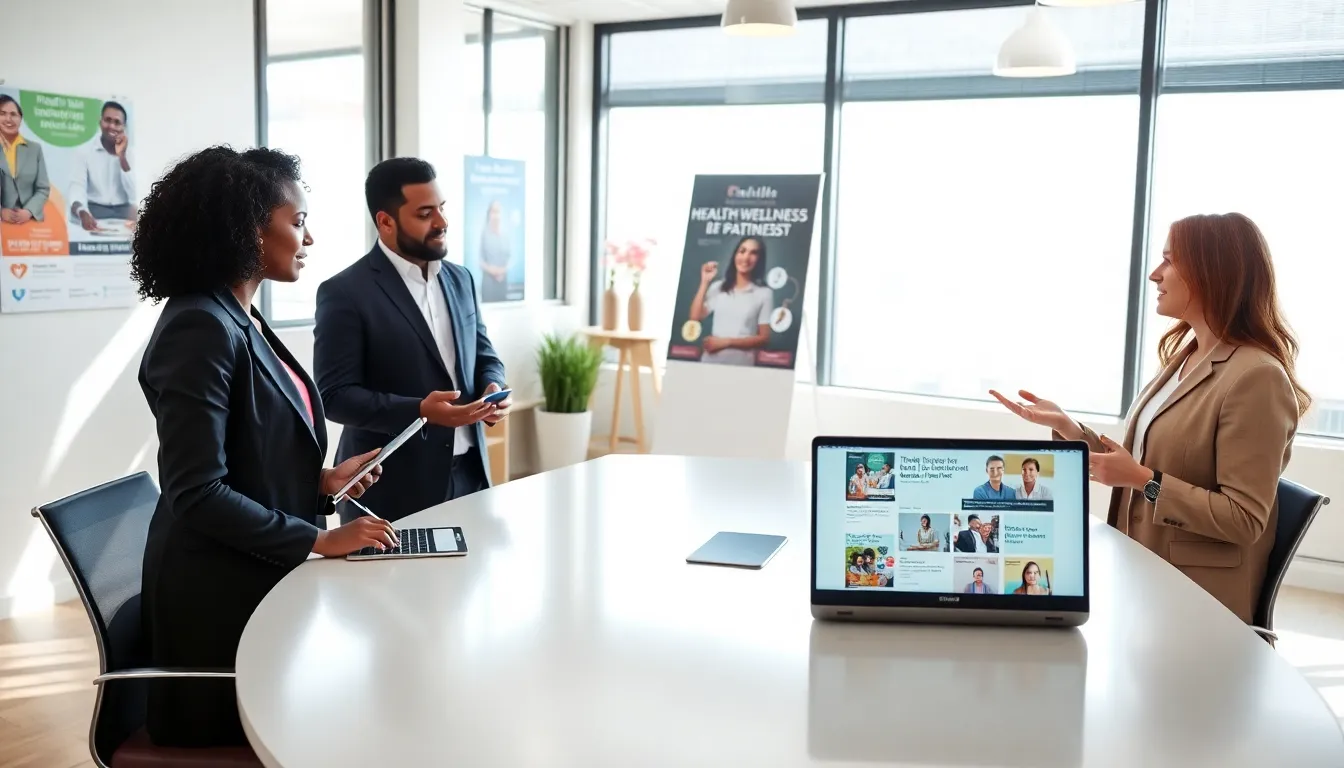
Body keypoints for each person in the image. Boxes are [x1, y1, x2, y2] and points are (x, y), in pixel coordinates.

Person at [130, 146, 400, 747]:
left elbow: (248, 454)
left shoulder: (239, 317)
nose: (309, 236)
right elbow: (197, 491)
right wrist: (319, 539)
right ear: (247, 228)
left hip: (253, 578)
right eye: (297, 220)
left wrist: (322, 485)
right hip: (217, 606)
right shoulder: (199, 327)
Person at [991, 212, 1309, 623]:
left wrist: (1146, 483)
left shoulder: (1257, 377)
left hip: (1196, 601)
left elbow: (1244, 519)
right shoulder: (1187, 357)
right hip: (1143, 574)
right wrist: (1073, 431)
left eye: (1169, 261)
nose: (1155, 275)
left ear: (1213, 271)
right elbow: (1145, 460)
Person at [314, 157, 510, 523]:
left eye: (442, 208)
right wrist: (420, 412)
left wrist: (492, 386)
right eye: (425, 214)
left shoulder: (462, 279)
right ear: (385, 222)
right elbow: (334, 397)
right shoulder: (344, 293)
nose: (442, 223)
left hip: (471, 474)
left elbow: (484, 353)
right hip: (390, 492)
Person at [688, 236, 773, 366]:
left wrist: (726, 342)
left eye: (753, 253)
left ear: (759, 260)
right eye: (742, 251)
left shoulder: (764, 293)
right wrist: (705, 282)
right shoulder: (718, 287)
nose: (746, 258)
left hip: (740, 364)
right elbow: (695, 317)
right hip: (710, 361)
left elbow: (764, 338)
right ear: (735, 255)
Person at [69, 100, 137, 230]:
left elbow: (134, 194)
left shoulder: (130, 153)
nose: (111, 126)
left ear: (124, 127)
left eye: (117, 122)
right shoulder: (83, 151)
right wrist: (83, 212)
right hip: (94, 209)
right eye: (107, 120)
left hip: (123, 210)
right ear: (100, 122)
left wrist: (122, 157)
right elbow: (77, 188)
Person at [0, 94, 49, 224]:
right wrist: (1, 211)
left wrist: (29, 211)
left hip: (29, 223)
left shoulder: (35, 149)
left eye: (13, 114)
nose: (8, 119)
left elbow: (43, 188)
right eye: (2, 113)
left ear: (20, 118)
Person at [478, 200, 511, 302]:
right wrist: (492, 271)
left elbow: (510, 258)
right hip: (489, 283)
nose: (496, 215)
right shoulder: (484, 234)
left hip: (502, 282)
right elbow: (480, 261)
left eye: (498, 212)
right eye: (493, 212)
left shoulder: (505, 235)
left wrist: (502, 271)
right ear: (489, 214)